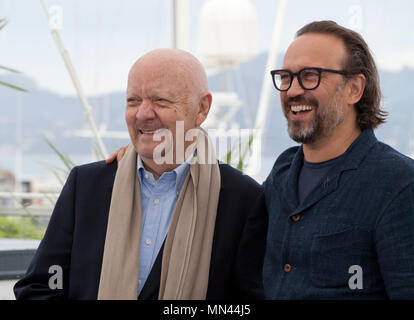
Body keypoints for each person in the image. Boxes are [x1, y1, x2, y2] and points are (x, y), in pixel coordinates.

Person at [14, 48, 267, 300]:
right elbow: (43, 284)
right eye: (133, 101)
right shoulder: (86, 186)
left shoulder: (242, 200)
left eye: (161, 101)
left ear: (202, 108)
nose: (143, 113)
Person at [263, 20, 414, 299]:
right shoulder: (280, 175)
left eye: (310, 75)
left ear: (354, 88)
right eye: (286, 76)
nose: (293, 90)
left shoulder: (399, 184)